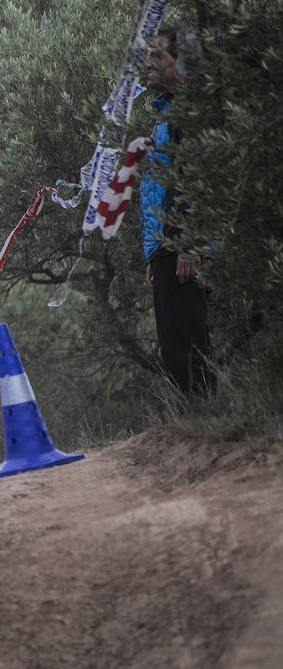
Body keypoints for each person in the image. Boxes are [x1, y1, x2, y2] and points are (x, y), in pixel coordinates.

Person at [140, 31, 214, 396]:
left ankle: (200, 422)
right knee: (175, 343)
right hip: (166, 247)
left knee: (187, 344)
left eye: (156, 56)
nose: (148, 63)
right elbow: (159, 184)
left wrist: (187, 244)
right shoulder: (166, 113)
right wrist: (154, 252)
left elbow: (194, 178)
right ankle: (195, 421)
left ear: (179, 64)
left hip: (181, 244)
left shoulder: (188, 112)